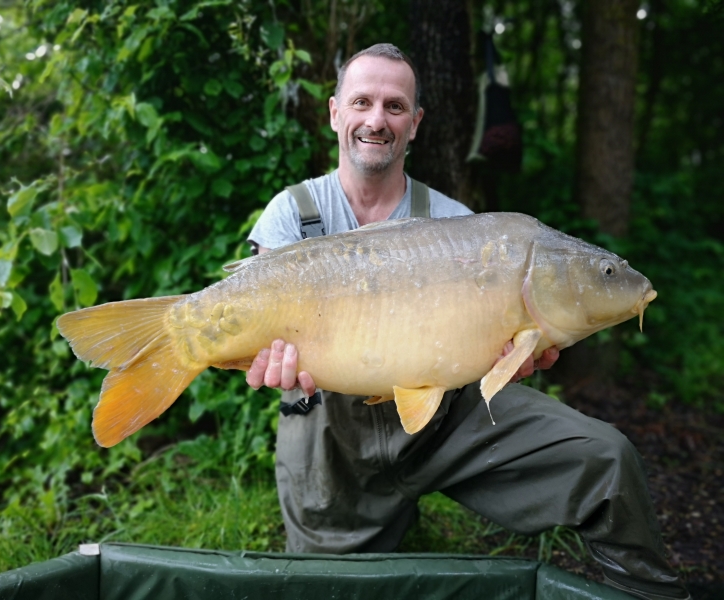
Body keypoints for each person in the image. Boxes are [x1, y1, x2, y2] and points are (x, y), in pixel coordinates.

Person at [244, 43, 690, 600]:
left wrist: (515, 358)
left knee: (606, 458)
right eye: (362, 102)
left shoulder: (462, 224)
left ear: (416, 124)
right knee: (325, 590)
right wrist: (267, 360)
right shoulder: (292, 214)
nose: (377, 120)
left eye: (395, 106)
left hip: (449, 419)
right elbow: (261, 327)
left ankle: (650, 594)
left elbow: (504, 356)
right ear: (335, 112)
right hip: (332, 434)